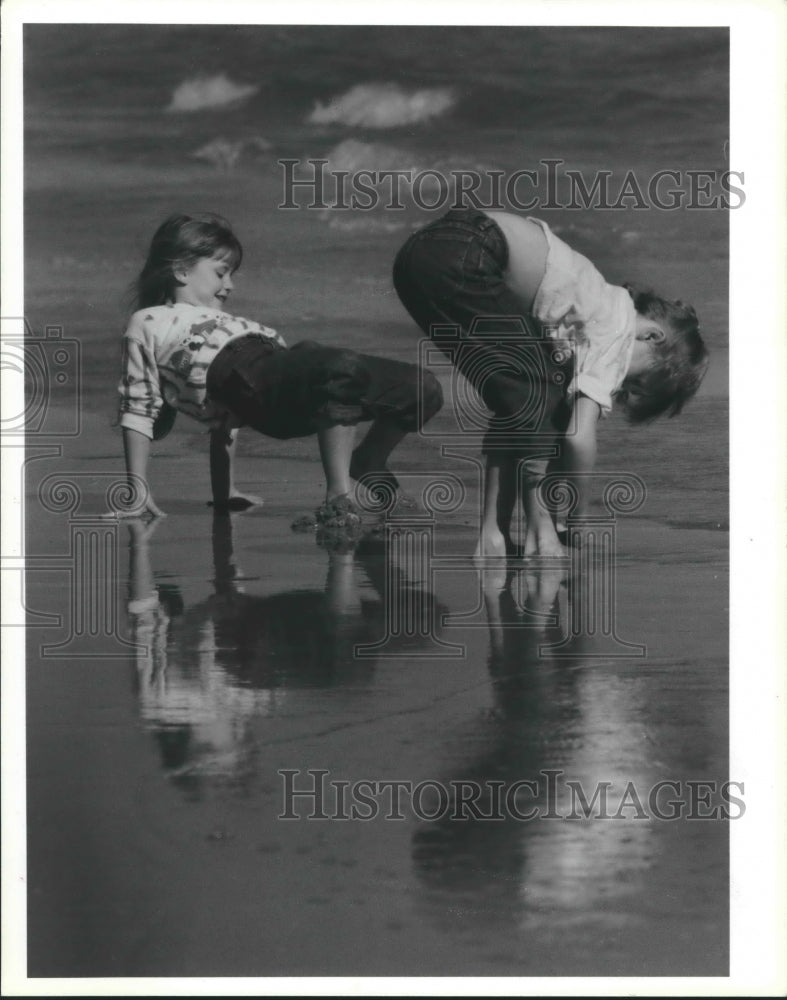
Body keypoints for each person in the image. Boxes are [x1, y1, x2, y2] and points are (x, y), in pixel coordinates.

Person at [392, 207, 709, 558]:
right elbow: (577, 436)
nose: (619, 388)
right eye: (635, 383)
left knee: (519, 397)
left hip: (420, 256)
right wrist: (579, 514)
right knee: (536, 392)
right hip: (470, 251)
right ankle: (537, 533)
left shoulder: (588, 306)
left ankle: (494, 532)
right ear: (651, 336)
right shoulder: (615, 329)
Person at [116, 213, 443, 528]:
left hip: (283, 374)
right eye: (221, 273)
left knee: (422, 387)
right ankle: (339, 497)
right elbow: (138, 407)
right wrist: (137, 489)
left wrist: (225, 493)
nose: (229, 285)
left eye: (232, 275)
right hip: (251, 379)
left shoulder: (226, 319)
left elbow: (224, 427)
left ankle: (369, 460)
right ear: (182, 271)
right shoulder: (149, 320)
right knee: (338, 369)